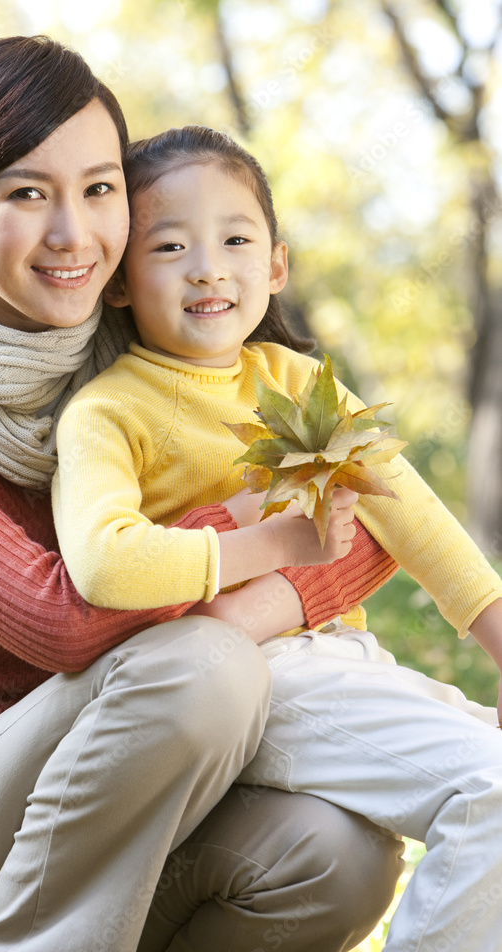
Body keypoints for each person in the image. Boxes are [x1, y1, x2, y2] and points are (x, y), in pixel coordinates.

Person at [0, 37, 404, 952]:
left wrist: (251, 601)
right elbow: (58, 620)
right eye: (27, 193)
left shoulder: (148, 340)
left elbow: (367, 514)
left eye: (99, 190)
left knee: (332, 860)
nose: (73, 234)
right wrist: (248, 537)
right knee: (201, 670)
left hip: (140, 782)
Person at [51, 124, 502, 951]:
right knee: (491, 791)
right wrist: (270, 547)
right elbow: (101, 560)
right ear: (116, 282)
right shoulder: (109, 412)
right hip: (252, 681)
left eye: (233, 239)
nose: (207, 267)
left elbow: (406, 507)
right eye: (170, 247)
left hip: (346, 666)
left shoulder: (293, 381)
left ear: (275, 265)